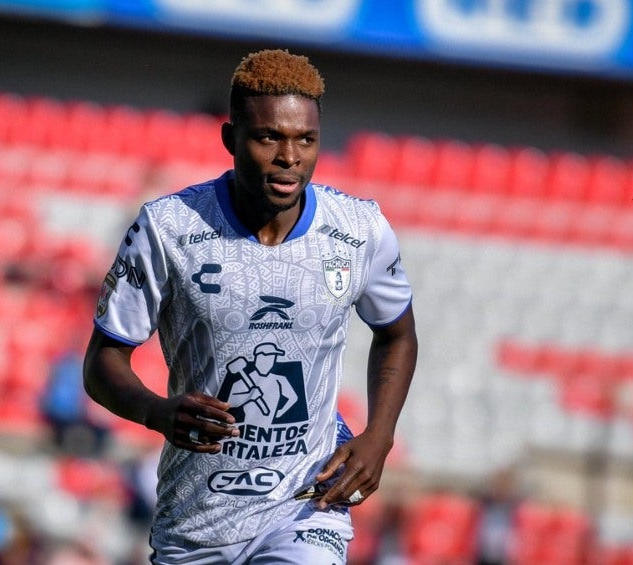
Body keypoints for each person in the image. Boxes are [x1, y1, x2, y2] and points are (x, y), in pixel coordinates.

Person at [83, 48, 418, 564]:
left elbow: (397, 333)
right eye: (269, 138)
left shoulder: (359, 231)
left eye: (306, 139)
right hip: (196, 517)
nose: (290, 157)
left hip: (305, 504)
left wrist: (380, 436)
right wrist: (155, 411)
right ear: (230, 139)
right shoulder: (167, 229)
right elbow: (102, 363)